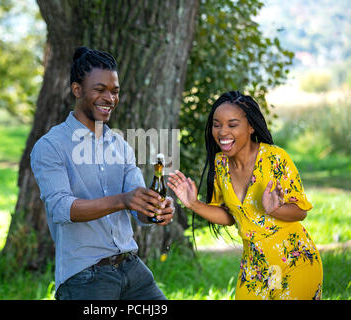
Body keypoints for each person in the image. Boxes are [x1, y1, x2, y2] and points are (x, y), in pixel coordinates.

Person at [30, 46, 174, 300]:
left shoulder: (122, 147)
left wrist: (155, 210)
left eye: (114, 91)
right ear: (77, 90)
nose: (109, 98)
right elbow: (61, 209)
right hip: (85, 275)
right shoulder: (51, 146)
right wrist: (122, 200)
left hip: (131, 267)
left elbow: (138, 211)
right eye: (100, 89)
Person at [168, 91, 323, 300]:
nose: (223, 132)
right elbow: (230, 216)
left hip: (295, 262)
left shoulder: (275, 158)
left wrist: (275, 209)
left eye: (232, 125)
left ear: (251, 127)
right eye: (217, 124)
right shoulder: (220, 164)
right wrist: (194, 204)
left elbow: (301, 212)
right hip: (254, 269)